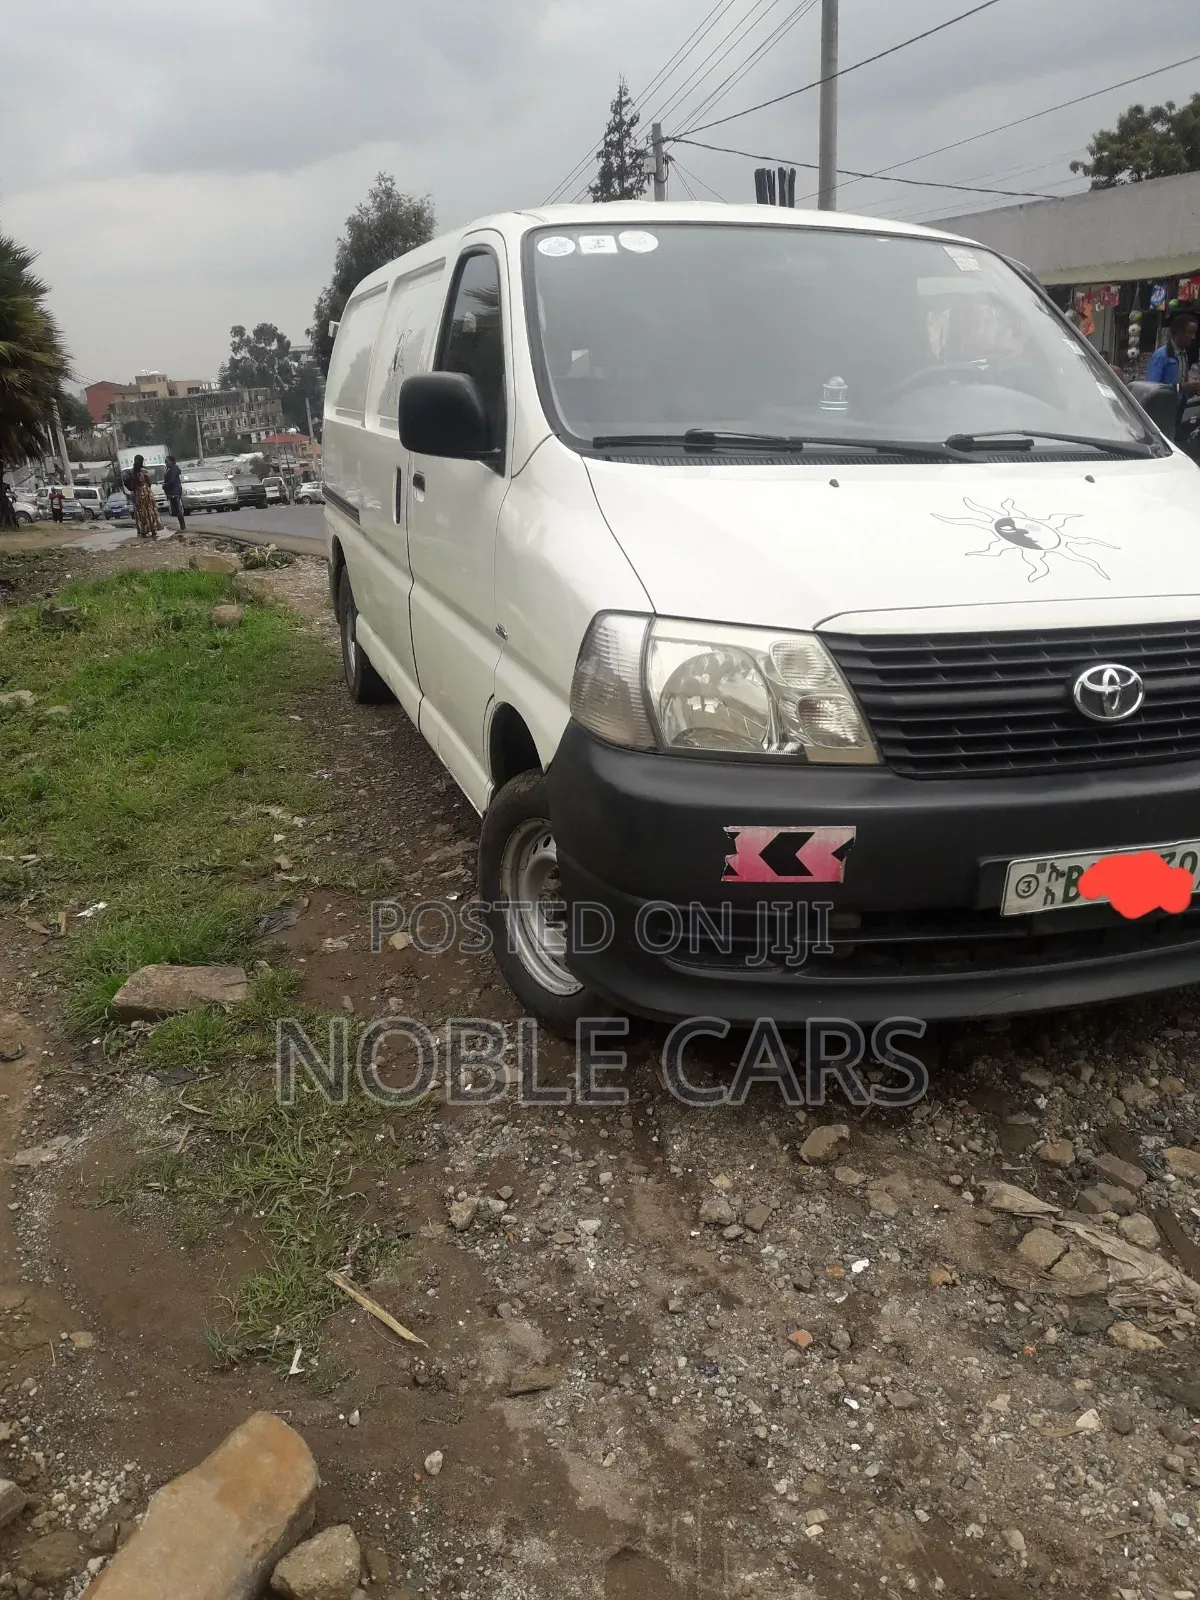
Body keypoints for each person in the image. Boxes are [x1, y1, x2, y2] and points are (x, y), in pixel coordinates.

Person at [1146, 309, 1200, 395]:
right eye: (1190, 333)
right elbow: (1151, 388)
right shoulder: (1161, 355)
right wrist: (1181, 387)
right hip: (1162, 406)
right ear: (1179, 332)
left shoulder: (1183, 355)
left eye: (1194, 333)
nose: (1193, 337)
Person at [126, 455, 162, 540]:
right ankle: (153, 530)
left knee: (141, 512)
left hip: (138, 493)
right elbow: (149, 482)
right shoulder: (144, 471)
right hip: (146, 491)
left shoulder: (132, 472)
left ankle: (143, 531)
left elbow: (133, 485)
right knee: (150, 510)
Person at [163, 455, 186, 536]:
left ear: (172, 462)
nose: (166, 463)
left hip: (174, 492)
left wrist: (164, 485)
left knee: (177, 509)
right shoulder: (170, 469)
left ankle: (183, 527)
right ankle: (182, 526)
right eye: (165, 462)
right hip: (172, 492)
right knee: (176, 510)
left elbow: (171, 481)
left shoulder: (173, 469)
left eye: (167, 461)